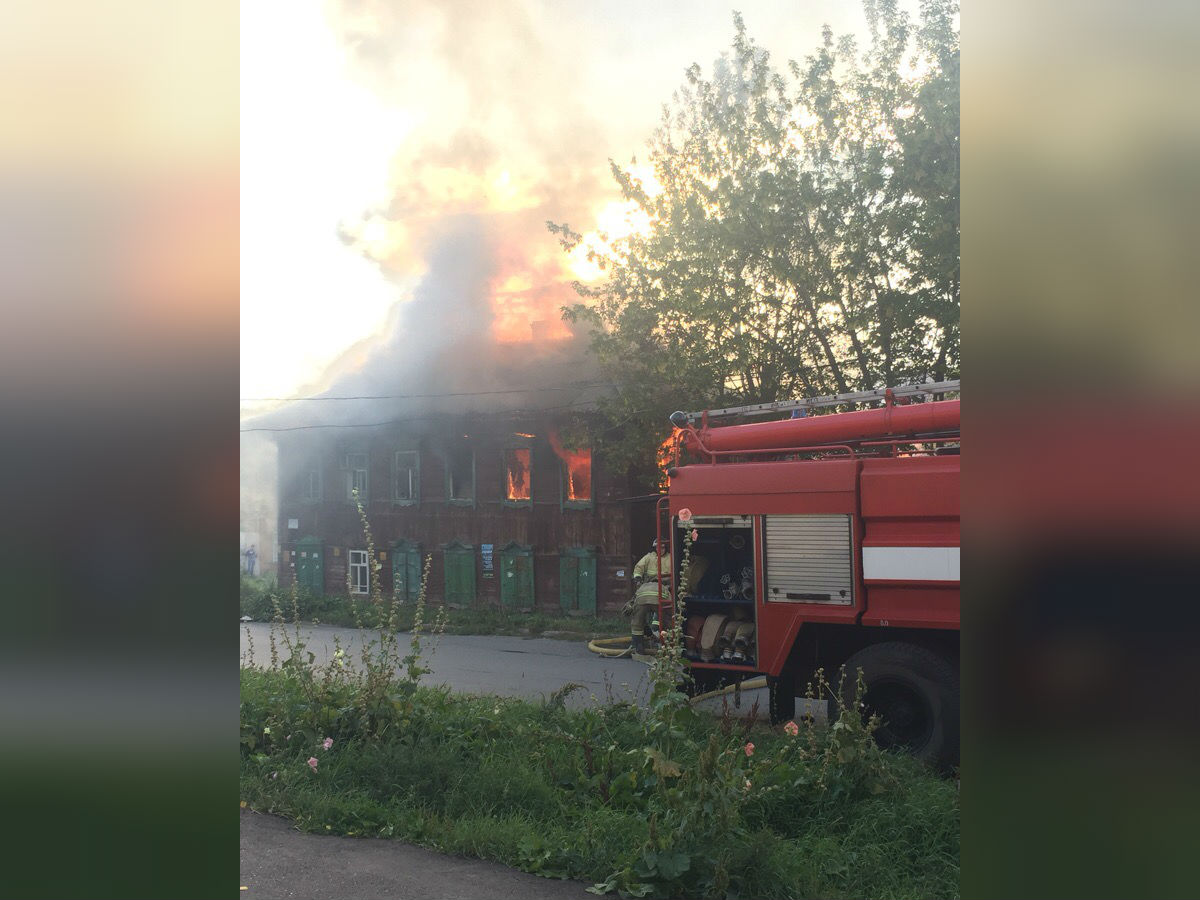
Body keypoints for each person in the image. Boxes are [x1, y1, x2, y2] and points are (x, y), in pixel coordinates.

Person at [624, 539, 673, 655]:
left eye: (662, 547)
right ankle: (665, 645)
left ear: (665, 548)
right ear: (654, 548)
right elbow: (638, 568)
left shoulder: (670, 558)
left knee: (637, 620)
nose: (659, 550)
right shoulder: (649, 557)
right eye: (657, 547)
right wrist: (638, 578)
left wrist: (638, 582)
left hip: (646, 591)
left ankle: (638, 645)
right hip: (661, 592)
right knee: (666, 619)